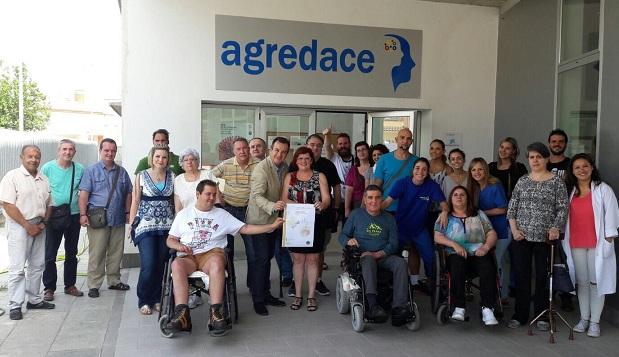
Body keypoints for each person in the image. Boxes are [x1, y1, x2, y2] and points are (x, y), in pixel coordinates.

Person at [165, 179, 284, 336]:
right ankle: (182, 315)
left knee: (216, 262)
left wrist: (271, 226)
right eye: (208, 194)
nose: (211, 198)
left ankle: (216, 312)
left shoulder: (222, 215)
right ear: (198, 194)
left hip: (211, 254)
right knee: (176, 265)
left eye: (214, 195)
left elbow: (245, 228)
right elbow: (170, 239)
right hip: (189, 255)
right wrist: (178, 246)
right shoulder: (183, 214)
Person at [506, 142, 568, 330]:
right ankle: (520, 315)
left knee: (542, 276)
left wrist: (556, 227)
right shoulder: (523, 180)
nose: (535, 160)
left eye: (539, 157)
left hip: (545, 238)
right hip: (521, 237)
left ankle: (542, 316)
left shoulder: (556, 181)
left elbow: (563, 208)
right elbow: (512, 208)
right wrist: (515, 230)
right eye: (531, 157)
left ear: (546, 159)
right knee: (522, 275)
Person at [339, 185, 412, 325]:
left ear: (381, 199)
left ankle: (399, 307)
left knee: (400, 263)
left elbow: (394, 243)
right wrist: (349, 241)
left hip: (384, 256)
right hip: (363, 256)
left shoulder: (389, 218)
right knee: (368, 259)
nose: (374, 201)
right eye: (370, 197)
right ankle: (372, 305)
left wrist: (380, 253)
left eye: (377, 197)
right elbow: (342, 235)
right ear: (365, 200)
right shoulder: (356, 215)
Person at [563, 153, 618, 337]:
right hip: (576, 243)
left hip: (597, 245)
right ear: (572, 171)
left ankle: (595, 322)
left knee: (597, 282)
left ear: (592, 167)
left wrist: (609, 238)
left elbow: (612, 214)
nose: (581, 170)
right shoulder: (570, 191)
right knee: (583, 283)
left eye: (585, 166)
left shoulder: (603, 190)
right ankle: (584, 318)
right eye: (577, 167)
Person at [0, 145, 53, 320]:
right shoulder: (12, 176)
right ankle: (15, 305)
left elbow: (49, 204)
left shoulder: (43, 178)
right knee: (17, 268)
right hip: (19, 226)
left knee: (37, 265)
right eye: (29, 156)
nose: (33, 159)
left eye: (37, 156)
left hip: (39, 225)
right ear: (21, 157)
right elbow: (8, 204)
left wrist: (43, 223)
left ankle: (35, 299)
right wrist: (27, 225)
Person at [434, 186, 499, 325]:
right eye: (455, 195)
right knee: (457, 264)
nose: (458, 197)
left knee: (488, 266)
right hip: (455, 254)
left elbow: (491, 233)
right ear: (451, 199)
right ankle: (459, 307)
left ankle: (488, 308)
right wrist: (454, 245)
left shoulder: (478, 214)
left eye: (462, 194)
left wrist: (486, 247)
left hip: (478, 253)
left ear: (467, 198)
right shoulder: (446, 216)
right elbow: (437, 237)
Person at [79, 138, 133, 298]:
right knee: (97, 253)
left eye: (113, 151)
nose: (110, 153)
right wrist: (83, 214)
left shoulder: (122, 172)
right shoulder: (91, 171)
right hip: (98, 219)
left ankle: (114, 280)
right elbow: (83, 194)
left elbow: (129, 192)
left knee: (116, 252)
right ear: (100, 151)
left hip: (117, 218)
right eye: (106, 150)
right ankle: (94, 285)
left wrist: (128, 212)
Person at [381, 158, 447, 285]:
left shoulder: (432, 186)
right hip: (400, 228)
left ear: (427, 172)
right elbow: (387, 202)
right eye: (417, 168)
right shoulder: (402, 183)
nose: (420, 172)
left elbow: (445, 205)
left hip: (419, 229)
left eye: (424, 169)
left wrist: (444, 212)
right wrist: (373, 209)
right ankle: (392, 281)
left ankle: (432, 281)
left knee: (429, 256)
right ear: (412, 170)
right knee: (394, 255)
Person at [246, 137, 291, 315]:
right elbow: (257, 196)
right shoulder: (261, 169)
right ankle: (258, 300)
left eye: (284, 151)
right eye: (277, 150)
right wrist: (273, 207)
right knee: (261, 260)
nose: (280, 154)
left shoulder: (284, 167)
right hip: (258, 221)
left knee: (268, 258)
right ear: (270, 150)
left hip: (274, 221)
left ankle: (266, 294)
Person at [282, 147, 331, 312]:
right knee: (297, 260)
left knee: (312, 260)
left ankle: (311, 296)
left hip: (315, 222)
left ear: (312, 160)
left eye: (307, 158)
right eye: (300, 158)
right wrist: (301, 207)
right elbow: (284, 199)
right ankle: (297, 294)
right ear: (296, 161)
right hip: (295, 223)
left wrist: (322, 204)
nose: (304, 161)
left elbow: (327, 199)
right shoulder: (290, 176)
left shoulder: (320, 176)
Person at [129, 146, 175, 315]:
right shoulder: (141, 176)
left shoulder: (173, 176)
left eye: (164, 157)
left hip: (167, 227)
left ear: (167, 159)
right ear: (152, 158)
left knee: (162, 263)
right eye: (157, 156)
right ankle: (144, 299)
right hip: (146, 226)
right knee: (148, 264)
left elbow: (174, 201)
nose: (160, 160)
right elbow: (135, 201)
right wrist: (131, 224)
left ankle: (157, 298)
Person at [296, 133, 341, 297]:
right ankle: (297, 283)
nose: (314, 147)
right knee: (299, 250)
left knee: (320, 248)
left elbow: (336, 187)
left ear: (321, 148)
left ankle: (318, 280)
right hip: (299, 216)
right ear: (306, 145)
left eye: (318, 145)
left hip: (323, 213)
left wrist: (336, 208)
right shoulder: (296, 164)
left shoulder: (328, 165)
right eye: (311, 144)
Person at [41, 139, 85, 301]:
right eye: (64, 149)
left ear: (74, 152)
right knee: (50, 254)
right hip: (53, 215)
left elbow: (84, 191)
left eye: (71, 149)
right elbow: (41, 191)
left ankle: (70, 285)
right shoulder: (47, 168)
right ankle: (49, 288)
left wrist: (83, 213)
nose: (67, 152)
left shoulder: (79, 169)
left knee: (71, 253)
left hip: (73, 215)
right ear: (58, 151)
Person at [467, 158, 510, 301]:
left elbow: (503, 209)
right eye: (473, 170)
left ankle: (500, 296)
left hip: (501, 230)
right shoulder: (473, 187)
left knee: (497, 262)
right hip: (483, 232)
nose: (477, 172)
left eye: (480, 169)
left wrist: (483, 213)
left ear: (485, 170)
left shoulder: (494, 185)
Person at [211, 138, 260, 254]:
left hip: (250, 210)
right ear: (234, 151)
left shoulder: (259, 164)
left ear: (248, 149)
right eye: (238, 149)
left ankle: (253, 273)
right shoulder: (226, 164)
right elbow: (208, 177)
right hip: (229, 209)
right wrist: (217, 193)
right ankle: (231, 272)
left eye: (244, 148)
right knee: (227, 249)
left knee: (252, 249)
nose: (242, 151)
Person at [546, 129, 574, 312]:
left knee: (566, 257)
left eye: (560, 141)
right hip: (546, 216)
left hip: (568, 217)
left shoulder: (571, 164)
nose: (557, 144)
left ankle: (566, 294)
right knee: (549, 256)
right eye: (554, 141)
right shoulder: (543, 163)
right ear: (549, 143)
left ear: (565, 143)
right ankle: (550, 291)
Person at [373, 128, 418, 213]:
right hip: (386, 207)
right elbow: (377, 184)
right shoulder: (383, 159)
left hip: (408, 208)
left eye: (408, 139)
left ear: (412, 142)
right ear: (396, 139)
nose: (405, 141)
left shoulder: (417, 161)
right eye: (402, 137)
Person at [323, 126, 353, 227]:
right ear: (336, 146)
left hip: (351, 200)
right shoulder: (334, 157)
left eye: (345, 143)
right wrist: (327, 135)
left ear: (350, 144)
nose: (343, 146)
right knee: (331, 227)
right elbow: (327, 147)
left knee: (349, 227)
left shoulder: (356, 160)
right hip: (336, 199)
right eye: (340, 144)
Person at [174, 148, 218, 213]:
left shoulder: (207, 174)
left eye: (192, 159)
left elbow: (217, 198)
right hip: (187, 217)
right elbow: (178, 207)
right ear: (182, 164)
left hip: (209, 215)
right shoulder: (178, 180)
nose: (189, 162)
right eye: (186, 160)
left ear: (198, 162)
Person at [344, 141, 373, 219]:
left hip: (373, 203)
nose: (361, 152)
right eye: (358, 150)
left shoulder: (375, 167)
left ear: (368, 151)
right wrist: (346, 209)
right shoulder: (353, 170)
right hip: (357, 205)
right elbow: (348, 191)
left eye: (364, 149)